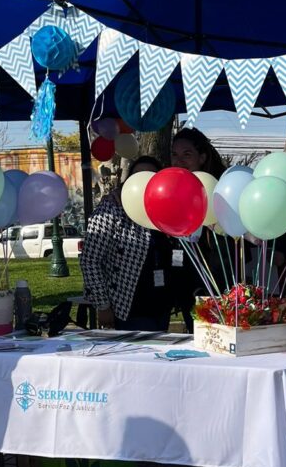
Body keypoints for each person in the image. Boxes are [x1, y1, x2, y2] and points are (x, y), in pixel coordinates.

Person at [80, 155, 174, 332]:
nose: (143, 181)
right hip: (126, 310)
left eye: (150, 176)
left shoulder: (164, 211)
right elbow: (90, 261)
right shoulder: (112, 208)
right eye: (138, 176)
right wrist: (103, 305)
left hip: (160, 308)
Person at [170, 128, 226, 331]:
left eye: (187, 154)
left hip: (219, 281)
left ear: (202, 157)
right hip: (185, 281)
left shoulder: (219, 189)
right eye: (174, 155)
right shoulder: (170, 187)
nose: (179, 161)